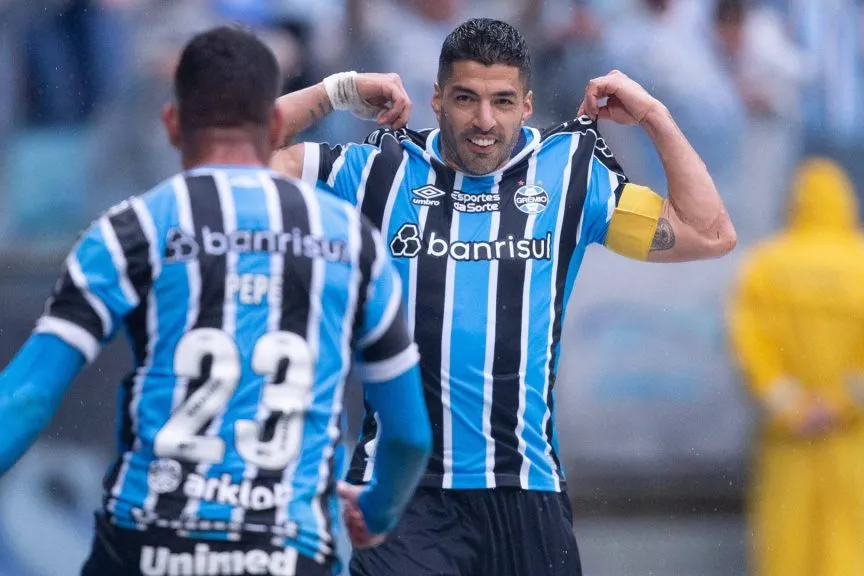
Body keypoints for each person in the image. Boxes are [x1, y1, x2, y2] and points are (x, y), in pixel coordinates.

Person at [0, 26, 431, 576]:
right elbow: (409, 435)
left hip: (150, 543)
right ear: (277, 123)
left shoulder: (133, 229)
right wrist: (376, 515)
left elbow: (30, 394)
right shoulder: (351, 242)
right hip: (290, 547)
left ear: (170, 124)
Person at [270, 17, 737, 576]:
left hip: (526, 492)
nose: (484, 122)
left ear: (528, 105)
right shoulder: (377, 170)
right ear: (437, 99)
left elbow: (710, 234)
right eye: (466, 99)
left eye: (502, 101)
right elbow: (237, 164)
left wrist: (653, 117)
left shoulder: (570, 176)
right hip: (402, 495)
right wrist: (335, 92)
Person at [728, 157, 864, 576]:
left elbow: (749, 346)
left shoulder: (766, 266)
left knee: (786, 548)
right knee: (851, 546)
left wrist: (792, 405)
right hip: (852, 438)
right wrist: (841, 402)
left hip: (789, 436)